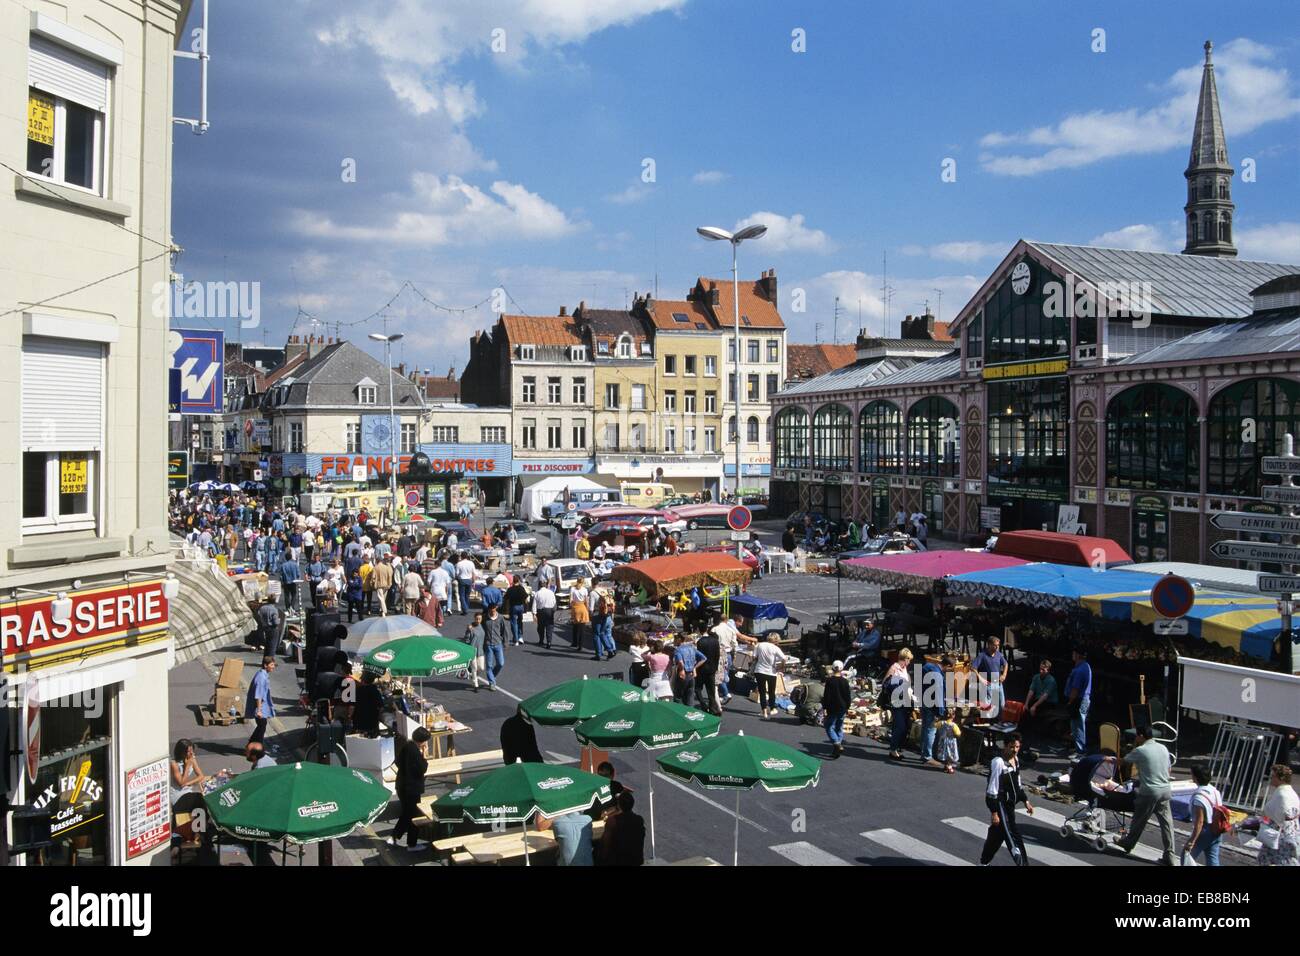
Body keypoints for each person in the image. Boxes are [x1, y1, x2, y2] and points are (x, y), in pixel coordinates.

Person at [1116, 723, 1177, 865]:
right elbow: (1168, 771)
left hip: (1149, 791)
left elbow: (1123, 762)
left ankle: (1128, 843)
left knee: (1139, 820)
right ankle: (1170, 855)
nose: (1135, 738)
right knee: (1167, 824)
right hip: (1165, 789)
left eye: (1136, 735)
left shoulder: (1141, 750)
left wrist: (1108, 759)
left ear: (1141, 736)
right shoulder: (1163, 748)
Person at [980, 734, 1034, 865]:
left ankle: (984, 862)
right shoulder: (998, 762)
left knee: (996, 836)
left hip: (1010, 805)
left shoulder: (1015, 760)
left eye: (1017, 747)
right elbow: (992, 790)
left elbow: (1018, 784)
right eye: (1012, 747)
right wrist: (994, 812)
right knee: (1013, 836)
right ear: (1005, 746)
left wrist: (1026, 801)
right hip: (1001, 805)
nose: (1015, 750)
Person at [388, 726, 430, 852]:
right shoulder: (416, 752)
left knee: (407, 813)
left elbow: (397, 762)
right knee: (413, 816)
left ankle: (394, 837)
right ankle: (411, 843)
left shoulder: (407, 746)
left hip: (401, 785)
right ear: (422, 741)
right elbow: (422, 768)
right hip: (412, 789)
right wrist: (424, 754)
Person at [1249, 764, 1299, 866]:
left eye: (1273, 776)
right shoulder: (1289, 792)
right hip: (1284, 834)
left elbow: (1281, 816)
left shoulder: (1283, 795)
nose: (1270, 778)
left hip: (1280, 836)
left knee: (1283, 861)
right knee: (1265, 860)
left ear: (1280, 778)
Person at [1183, 763, 1224, 866]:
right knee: (1212, 859)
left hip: (1205, 831)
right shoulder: (1214, 790)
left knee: (1187, 856)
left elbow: (1199, 822)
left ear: (1195, 777)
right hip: (1217, 829)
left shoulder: (1199, 798)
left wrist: (1192, 841)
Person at [920, 654, 953, 767]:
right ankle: (927, 756)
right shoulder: (938, 675)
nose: (949, 671)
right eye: (950, 669)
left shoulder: (929, 667)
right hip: (932, 706)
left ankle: (924, 753)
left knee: (924, 728)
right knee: (931, 730)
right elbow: (938, 696)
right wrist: (940, 712)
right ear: (947, 665)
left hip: (924, 701)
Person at [596, 790, 645, 866]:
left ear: (619, 805)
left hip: (618, 861)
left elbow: (605, 846)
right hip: (635, 860)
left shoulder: (612, 821)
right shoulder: (639, 820)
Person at [883, 648, 914, 759]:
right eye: (909, 660)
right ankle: (893, 750)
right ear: (905, 659)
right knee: (899, 726)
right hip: (897, 701)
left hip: (905, 700)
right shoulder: (894, 668)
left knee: (903, 725)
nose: (909, 662)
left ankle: (897, 746)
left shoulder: (904, 668)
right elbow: (885, 684)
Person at [1064, 646, 1093, 758]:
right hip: (1082, 699)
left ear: (1077, 655)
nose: (1072, 655)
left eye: (1073, 653)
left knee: (1078, 726)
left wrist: (1070, 701)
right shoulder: (1086, 666)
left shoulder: (1080, 670)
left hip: (1078, 700)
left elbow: (1075, 689)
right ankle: (1078, 748)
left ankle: (1080, 751)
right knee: (1076, 725)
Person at [752, 632, 788, 720]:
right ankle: (772, 708)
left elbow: (753, 657)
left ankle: (763, 710)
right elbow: (784, 658)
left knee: (762, 691)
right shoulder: (775, 648)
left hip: (759, 670)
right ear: (776, 640)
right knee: (771, 691)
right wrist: (781, 667)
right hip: (771, 672)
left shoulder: (759, 645)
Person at [972, 636, 1008, 718]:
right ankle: (987, 724)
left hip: (998, 684)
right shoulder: (982, 655)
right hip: (988, 685)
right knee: (988, 706)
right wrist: (980, 678)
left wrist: (1004, 674)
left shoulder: (999, 654)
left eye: (998, 645)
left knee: (1001, 704)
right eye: (995, 645)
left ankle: (1000, 721)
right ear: (989, 645)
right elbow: (973, 667)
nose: (997, 647)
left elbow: (1006, 664)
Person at [170, 739, 208, 816]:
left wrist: (188, 783)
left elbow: (201, 776)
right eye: (188, 751)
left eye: (192, 750)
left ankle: (204, 822)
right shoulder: (174, 764)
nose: (191, 753)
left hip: (187, 792)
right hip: (178, 796)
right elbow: (181, 783)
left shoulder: (191, 759)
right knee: (201, 801)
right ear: (181, 752)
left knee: (205, 799)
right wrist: (187, 766)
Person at [823, 661, 852, 758]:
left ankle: (836, 744)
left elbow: (826, 696)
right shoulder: (845, 681)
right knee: (839, 726)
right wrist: (848, 707)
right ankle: (838, 746)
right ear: (842, 669)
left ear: (833, 668)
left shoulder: (830, 681)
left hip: (832, 708)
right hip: (842, 707)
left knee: (829, 726)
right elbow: (848, 696)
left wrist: (824, 707)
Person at [246, 655, 276, 745]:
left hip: (262, 707)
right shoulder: (261, 678)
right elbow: (258, 695)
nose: (273, 667)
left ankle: (251, 744)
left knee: (261, 726)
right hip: (259, 708)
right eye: (271, 665)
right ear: (265, 665)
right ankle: (256, 746)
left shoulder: (263, 674)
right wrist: (259, 710)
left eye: (274, 665)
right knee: (262, 726)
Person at [673, 634, 706, 707]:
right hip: (691, 674)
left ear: (678, 640)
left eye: (674, 640)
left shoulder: (678, 650)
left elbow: (680, 662)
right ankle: (690, 713)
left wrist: (681, 670)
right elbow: (703, 658)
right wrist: (694, 667)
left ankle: (680, 713)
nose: (673, 641)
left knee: (678, 696)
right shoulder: (692, 648)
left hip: (683, 674)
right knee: (690, 696)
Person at [695, 627, 722, 715]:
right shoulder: (715, 641)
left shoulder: (700, 642)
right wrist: (715, 667)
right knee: (711, 690)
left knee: (698, 688)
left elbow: (699, 657)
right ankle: (712, 708)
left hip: (702, 669)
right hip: (712, 669)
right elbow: (717, 655)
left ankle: (703, 704)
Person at [1023, 658, 1059, 722]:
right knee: (1026, 709)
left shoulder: (1051, 681)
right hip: (1039, 699)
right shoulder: (1036, 677)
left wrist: (1034, 706)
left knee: (1036, 710)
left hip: (1049, 702)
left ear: (1048, 671)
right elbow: (1031, 691)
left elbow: (1045, 696)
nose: (1041, 671)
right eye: (1040, 669)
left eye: (1043, 670)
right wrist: (1026, 703)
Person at [351, 670, 385, 736]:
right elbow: (381, 707)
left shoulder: (357, 691)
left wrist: (350, 717)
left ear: (363, 680)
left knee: (359, 742)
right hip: (372, 723)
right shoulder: (375, 691)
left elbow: (352, 707)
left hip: (358, 723)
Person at [462, 612, 487, 691]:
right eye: (477, 619)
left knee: (481, 668)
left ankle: (473, 672)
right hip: (472, 650)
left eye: (480, 619)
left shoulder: (483, 626)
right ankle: (475, 684)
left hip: (481, 650)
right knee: (475, 667)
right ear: (474, 618)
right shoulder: (470, 627)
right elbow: (466, 639)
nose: (478, 620)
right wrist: (469, 631)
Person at [935, 709, 961, 773]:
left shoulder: (941, 723)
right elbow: (958, 733)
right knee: (950, 754)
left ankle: (946, 765)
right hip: (951, 741)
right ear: (953, 716)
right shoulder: (954, 725)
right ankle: (949, 767)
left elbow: (935, 725)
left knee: (945, 753)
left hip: (943, 740)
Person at [534, 580, 557, 649]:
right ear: (546, 585)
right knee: (549, 627)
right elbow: (554, 603)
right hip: (549, 610)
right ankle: (549, 642)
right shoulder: (551, 592)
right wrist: (553, 611)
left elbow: (534, 605)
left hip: (541, 611)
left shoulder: (537, 593)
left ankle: (541, 640)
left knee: (540, 627)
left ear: (539, 585)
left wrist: (534, 614)